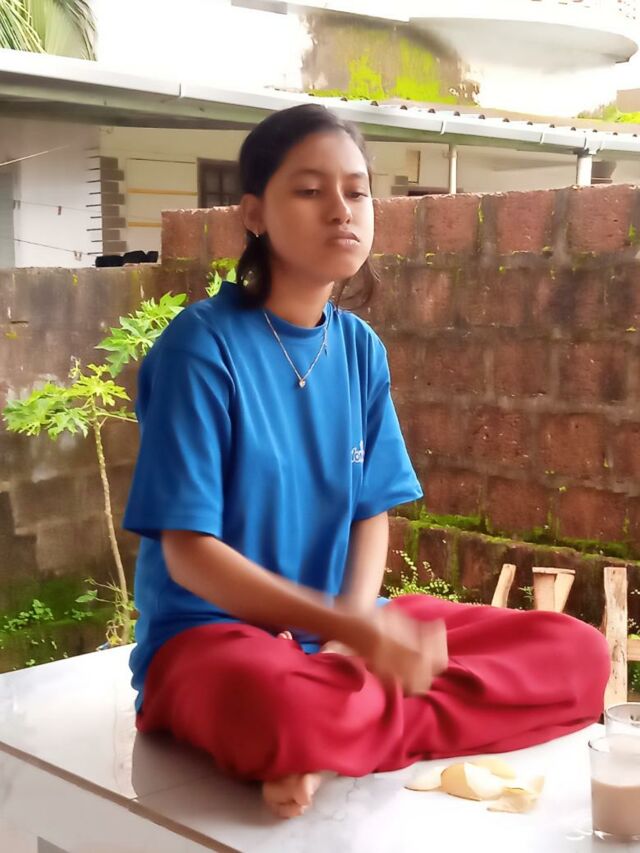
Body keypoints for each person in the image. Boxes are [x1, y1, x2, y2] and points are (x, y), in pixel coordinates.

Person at [123, 103, 610, 820]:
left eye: (356, 191)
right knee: (284, 707)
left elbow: (368, 513)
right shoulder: (200, 347)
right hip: (213, 639)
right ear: (254, 214)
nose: (341, 209)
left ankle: (331, 736)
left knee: (577, 653)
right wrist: (354, 635)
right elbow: (190, 556)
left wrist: (350, 632)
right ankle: (322, 728)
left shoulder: (359, 349)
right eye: (309, 190)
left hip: (342, 631)